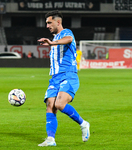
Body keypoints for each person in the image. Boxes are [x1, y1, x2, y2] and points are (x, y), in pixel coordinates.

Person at [37, 10, 90, 147]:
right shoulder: (55, 40)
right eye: (46, 23)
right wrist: (52, 43)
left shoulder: (66, 33)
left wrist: (52, 43)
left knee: (59, 105)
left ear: (58, 22)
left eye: (49, 22)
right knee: (50, 105)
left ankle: (83, 124)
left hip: (69, 75)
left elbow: (69, 40)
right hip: (55, 78)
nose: (47, 25)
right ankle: (50, 139)